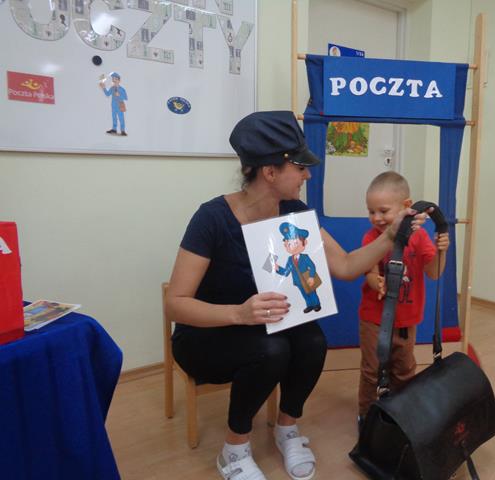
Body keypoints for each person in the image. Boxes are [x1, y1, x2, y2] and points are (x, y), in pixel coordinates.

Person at [166, 111, 427, 480]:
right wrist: (239, 313)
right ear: (270, 172)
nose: (307, 176)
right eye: (300, 167)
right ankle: (234, 449)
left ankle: (287, 428)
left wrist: (390, 236)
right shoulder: (212, 219)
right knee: (272, 350)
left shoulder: (295, 213)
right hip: (207, 335)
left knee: (312, 340)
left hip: (261, 326)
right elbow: (175, 303)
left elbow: (346, 266)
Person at [357, 171, 450, 425]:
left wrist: (441, 251)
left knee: (405, 370)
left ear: (406, 207)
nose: (376, 218)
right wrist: (377, 281)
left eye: (383, 211)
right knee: (372, 370)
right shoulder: (372, 237)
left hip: (406, 321)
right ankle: (367, 417)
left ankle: (401, 415)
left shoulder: (419, 238)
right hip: (374, 319)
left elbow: (433, 273)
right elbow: (369, 272)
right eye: (371, 211)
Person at [274, 222, 322, 314]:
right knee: (304, 293)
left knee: (312, 292)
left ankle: (316, 304)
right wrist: (277, 268)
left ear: (305, 242)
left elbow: (312, 266)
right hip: (298, 281)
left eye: (295, 243)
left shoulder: (305, 257)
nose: (292, 246)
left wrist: (311, 276)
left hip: (307, 279)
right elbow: (286, 272)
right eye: (288, 244)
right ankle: (309, 305)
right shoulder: (290, 259)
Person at [99, 72, 128, 136]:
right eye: (113, 79)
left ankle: (123, 131)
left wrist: (119, 95)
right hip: (113, 105)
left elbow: (126, 98)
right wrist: (103, 88)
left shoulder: (122, 89)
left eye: (115, 79)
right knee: (114, 117)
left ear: (119, 80)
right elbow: (107, 94)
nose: (114, 80)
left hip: (120, 105)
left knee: (121, 118)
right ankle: (114, 129)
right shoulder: (112, 88)